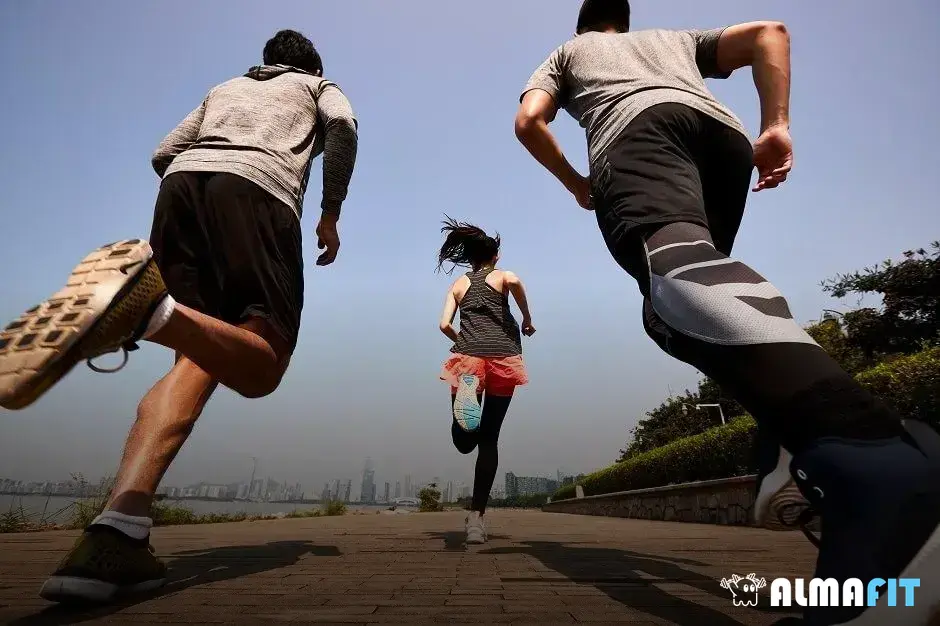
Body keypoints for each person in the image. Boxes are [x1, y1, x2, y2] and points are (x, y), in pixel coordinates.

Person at [513, 2, 939, 624]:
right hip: (722, 136)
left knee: (679, 277)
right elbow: (770, 33)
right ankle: (790, 444)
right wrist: (778, 125)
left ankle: (879, 461)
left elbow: (528, 121)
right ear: (623, 19)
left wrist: (577, 181)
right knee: (680, 303)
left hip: (636, 134)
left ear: (583, 21)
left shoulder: (569, 52)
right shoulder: (672, 39)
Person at [0, 29, 358, 603]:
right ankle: (151, 311)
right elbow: (344, 128)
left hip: (180, 188)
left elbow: (163, 151)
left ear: (266, 61)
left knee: (199, 359)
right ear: (309, 65)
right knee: (262, 365)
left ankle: (116, 534)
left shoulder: (225, 87)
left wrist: (200, 188)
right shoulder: (318, 86)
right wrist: (330, 213)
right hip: (258, 192)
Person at [436, 217, 534, 545]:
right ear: (495, 256)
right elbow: (517, 281)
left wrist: (463, 336)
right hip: (504, 358)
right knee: (489, 440)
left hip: (469, 357)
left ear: (471, 258)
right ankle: (476, 518)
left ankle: (463, 419)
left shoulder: (460, 284)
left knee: (465, 442)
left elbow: (443, 324)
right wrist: (527, 319)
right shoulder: (503, 276)